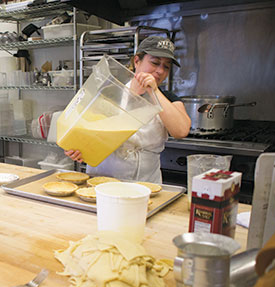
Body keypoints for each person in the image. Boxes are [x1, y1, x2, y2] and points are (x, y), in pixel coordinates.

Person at [65, 36, 191, 183]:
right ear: (137, 61)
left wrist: (154, 92)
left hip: (146, 185)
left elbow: (181, 131)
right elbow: (81, 131)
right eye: (155, 63)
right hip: (104, 181)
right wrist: (77, 150)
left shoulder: (168, 99)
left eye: (166, 66)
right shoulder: (109, 92)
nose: (160, 71)